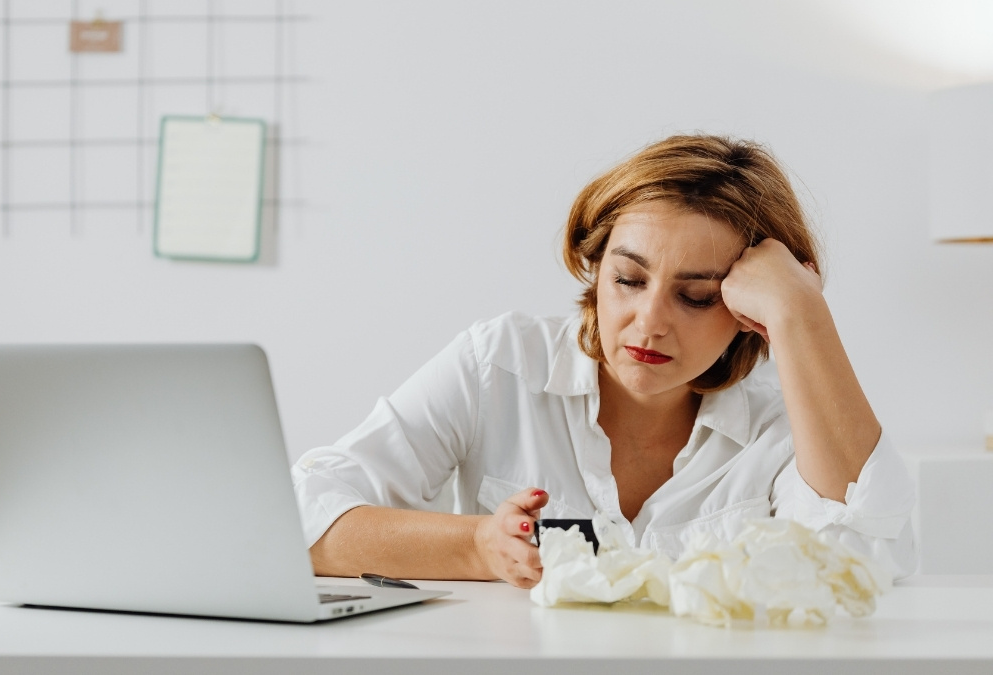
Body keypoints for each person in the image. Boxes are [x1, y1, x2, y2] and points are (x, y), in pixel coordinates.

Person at [292, 134, 916, 588]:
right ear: (596, 268)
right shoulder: (500, 364)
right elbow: (302, 512)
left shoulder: (781, 430)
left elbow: (866, 561)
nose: (649, 323)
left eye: (696, 296)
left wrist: (802, 316)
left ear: (746, 308)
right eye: (628, 280)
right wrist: (478, 547)